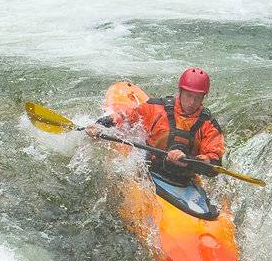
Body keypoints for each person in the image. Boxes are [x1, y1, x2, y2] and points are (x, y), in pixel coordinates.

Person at [89, 68, 226, 186]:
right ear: (180, 91)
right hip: (150, 167)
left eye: (198, 98)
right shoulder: (156, 108)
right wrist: (99, 126)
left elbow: (214, 160)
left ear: (204, 97)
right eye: (189, 95)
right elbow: (126, 117)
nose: (192, 102)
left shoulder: (209, 125)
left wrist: (189, 160)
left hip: (185, 178)